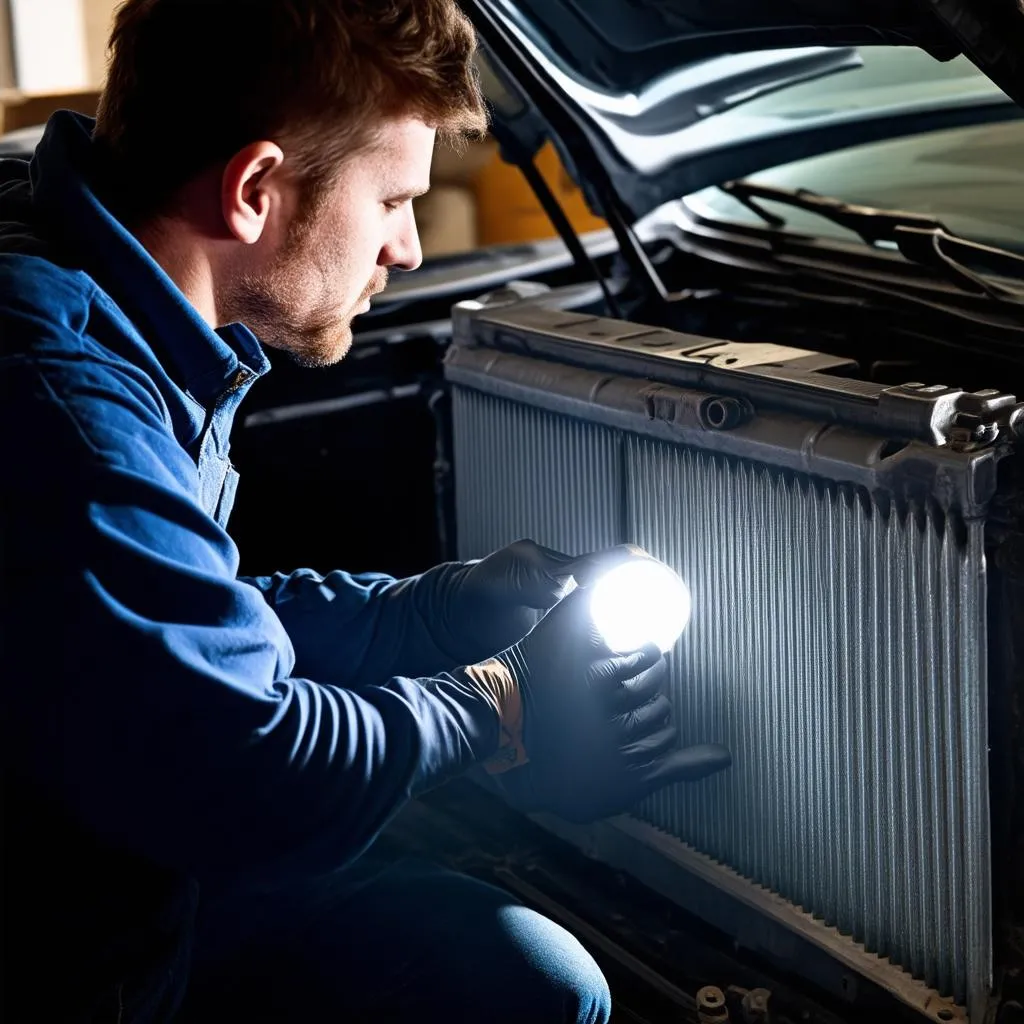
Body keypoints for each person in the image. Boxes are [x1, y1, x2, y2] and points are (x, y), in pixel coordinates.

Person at [0, 1, 732, 1021]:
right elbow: (246, 775)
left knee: (527, 973)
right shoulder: (59, 391)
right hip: (67, 948)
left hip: (109, 844)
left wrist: (418, 616)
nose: (409, 250)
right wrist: (499, 700)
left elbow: (159, 626)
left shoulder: (87, 260)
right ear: (255, 189)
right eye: (393, 199)